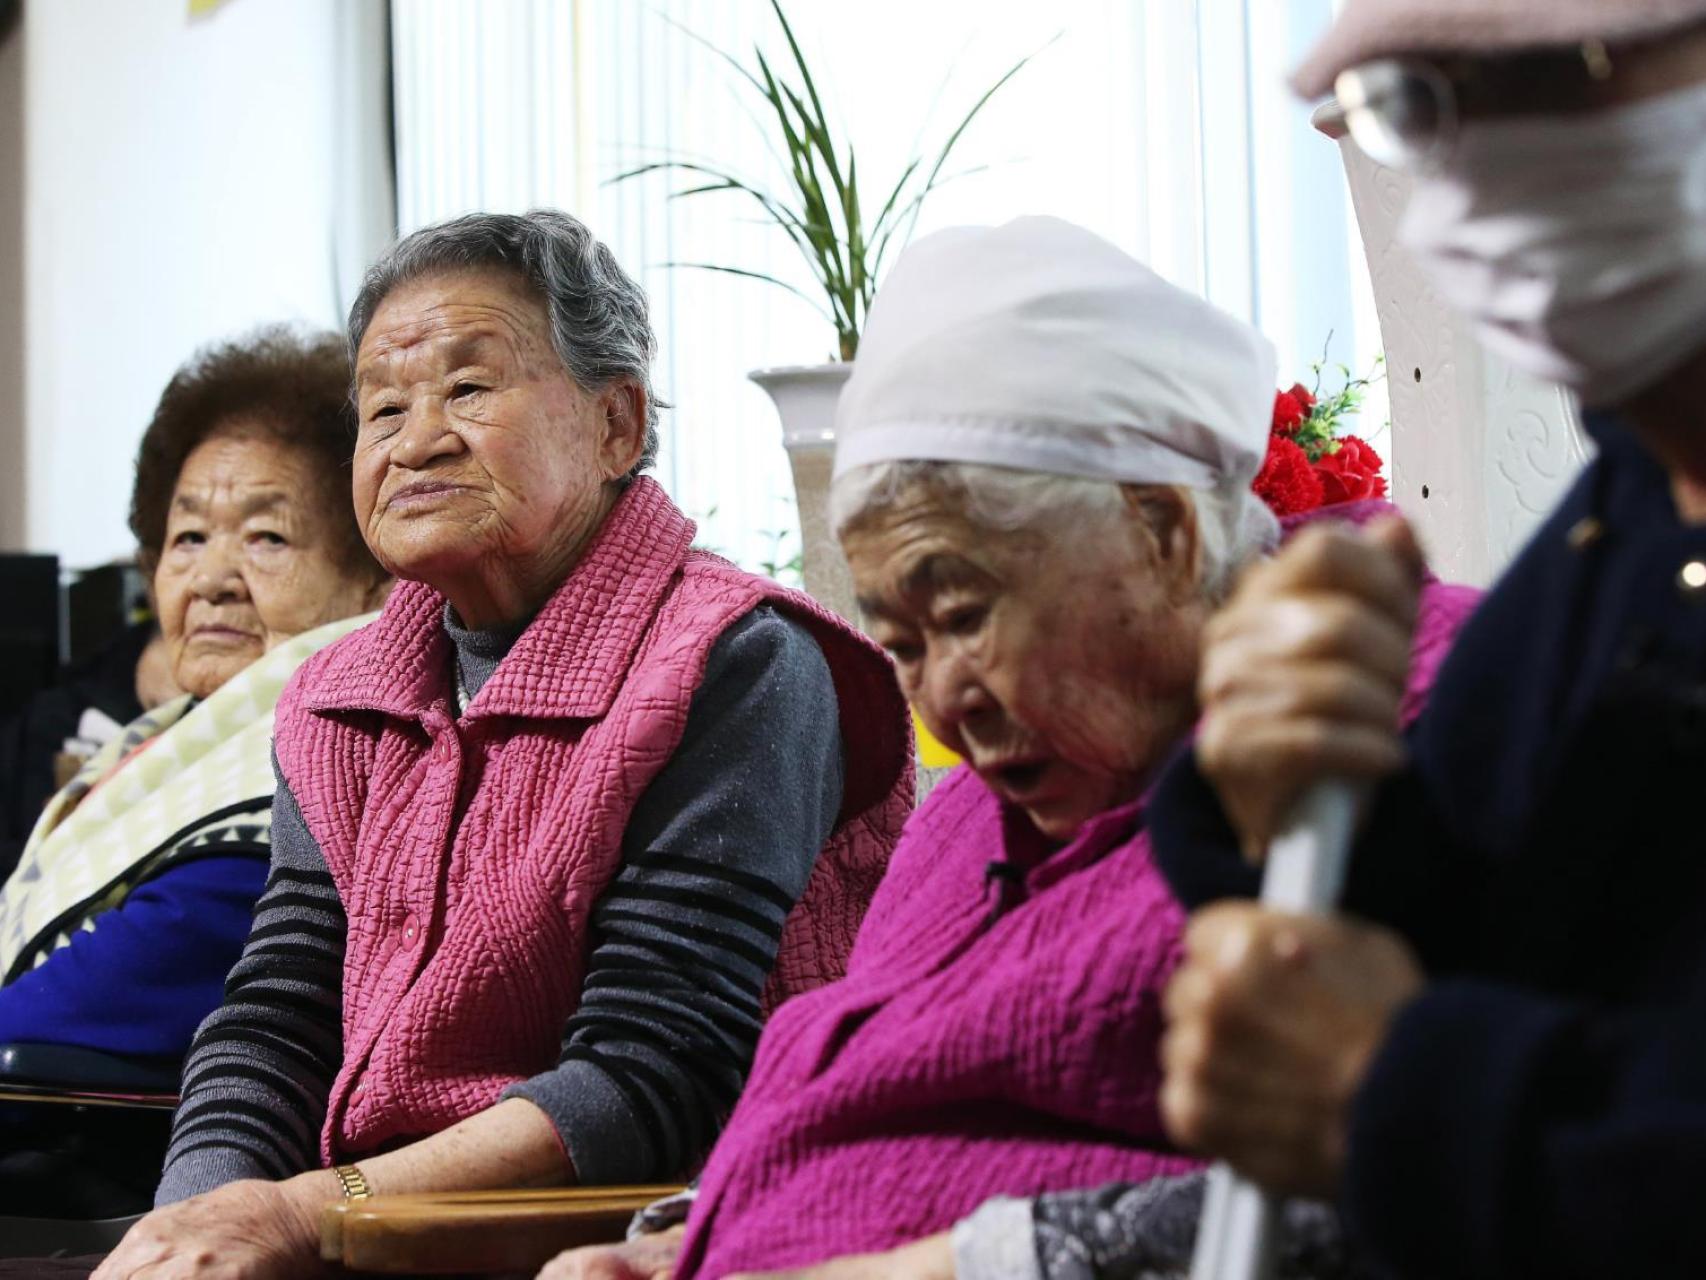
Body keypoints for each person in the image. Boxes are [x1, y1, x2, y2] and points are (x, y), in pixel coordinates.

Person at [540, 217, 1477, 1280]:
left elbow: (1454, 1169)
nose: (942, 699)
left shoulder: (1405, 715)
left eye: (965, 611)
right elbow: (875, 1118)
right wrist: (683, 1237)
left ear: (1163, 529)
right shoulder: (969, 809)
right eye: (901, 644)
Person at [93, 210, 913, 1280]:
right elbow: (275, 1017)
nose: (415, 437)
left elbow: (650, 1075)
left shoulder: (736, 660)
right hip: (367, 1227)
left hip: (648, 1236)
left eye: (468, 390)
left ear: (616, 423)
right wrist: (194, 1220)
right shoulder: (338, 696)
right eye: (383, 406)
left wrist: (306, 1211)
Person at [1150, 4, 1706, 1278]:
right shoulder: (1628, 501)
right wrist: (1266, 784)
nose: (1476, 176)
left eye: (1548, 82)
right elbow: (1471, 905)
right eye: (1408, 109)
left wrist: (1393, 1088)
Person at [0, 326, 390, 1214]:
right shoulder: (164, 749)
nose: (210, 577)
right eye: (186, 539)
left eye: (266, 538)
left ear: (375, 580)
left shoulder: (310, 768)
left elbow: (81, 1008)